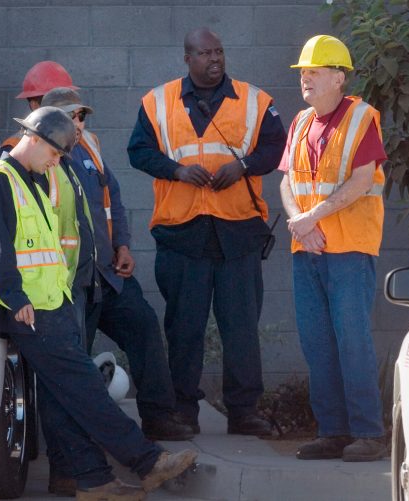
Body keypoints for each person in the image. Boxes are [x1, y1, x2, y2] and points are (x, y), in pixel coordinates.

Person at [0, 106, 197, 501]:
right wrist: (15, 297)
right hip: (31, 310)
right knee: (86, 388)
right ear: (36, 140)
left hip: (51, 303)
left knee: (64, 395)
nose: (57, 162)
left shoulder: (32, 178)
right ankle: (147, 462)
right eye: (55, 153)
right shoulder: (0, 181)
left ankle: (93, 480)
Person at [127, 27, 286, 437]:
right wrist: (176, 170)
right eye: (204, 53)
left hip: (239, 234)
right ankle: (182, 412)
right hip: (182, 234)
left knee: (241, 328)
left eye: (219, 51)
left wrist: (244, 166)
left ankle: (244, 412)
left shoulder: (256, 101)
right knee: (184, 329)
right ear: (187, 59)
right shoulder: (156, 102)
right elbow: (138, 151)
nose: (214, 59)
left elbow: (276, 147)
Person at [40, 87, 193, 443]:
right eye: (71, 116)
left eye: (81, 116)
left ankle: (158, 417)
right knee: (75, 359)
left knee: (143, 325)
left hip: (106, 274)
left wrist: (122, 244)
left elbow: (114, 200)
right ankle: (73, 447)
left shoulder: (89, 148)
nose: (78, 123)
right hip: (71, 282)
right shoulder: (41, 158)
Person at [278, 35, 387, 462]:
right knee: (318, 342)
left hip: (350, 250)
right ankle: (333, 431)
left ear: (339, 78)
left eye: (315, 72)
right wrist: (299, 225)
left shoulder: (362, 119)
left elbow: (362, 180)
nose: (306, 78)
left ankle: (368, 433)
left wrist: (312, 219)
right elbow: (286, 181)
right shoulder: (301, 122)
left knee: (352, 341)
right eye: (303, 72)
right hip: (307, 248)